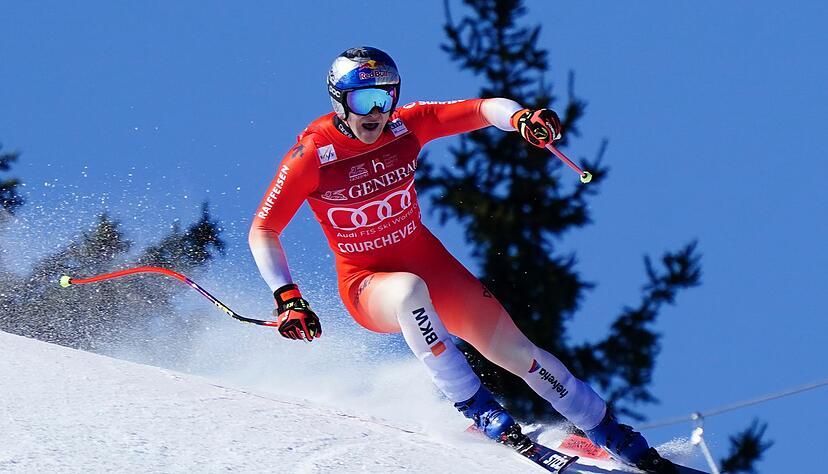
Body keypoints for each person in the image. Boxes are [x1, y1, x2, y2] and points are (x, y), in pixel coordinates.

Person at [249, 46, 669, 471]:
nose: (376, 112)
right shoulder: (314, 154)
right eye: (363, 100)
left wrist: (522, 119)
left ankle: (616, 436)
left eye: (385, 97)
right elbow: (263, 229)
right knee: (408, 292)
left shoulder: (404, 128)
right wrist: (288, 297)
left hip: (431, 265)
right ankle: (482, 411)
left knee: (519, 352)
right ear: (339, 101)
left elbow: (484, 109)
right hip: (366, 283)